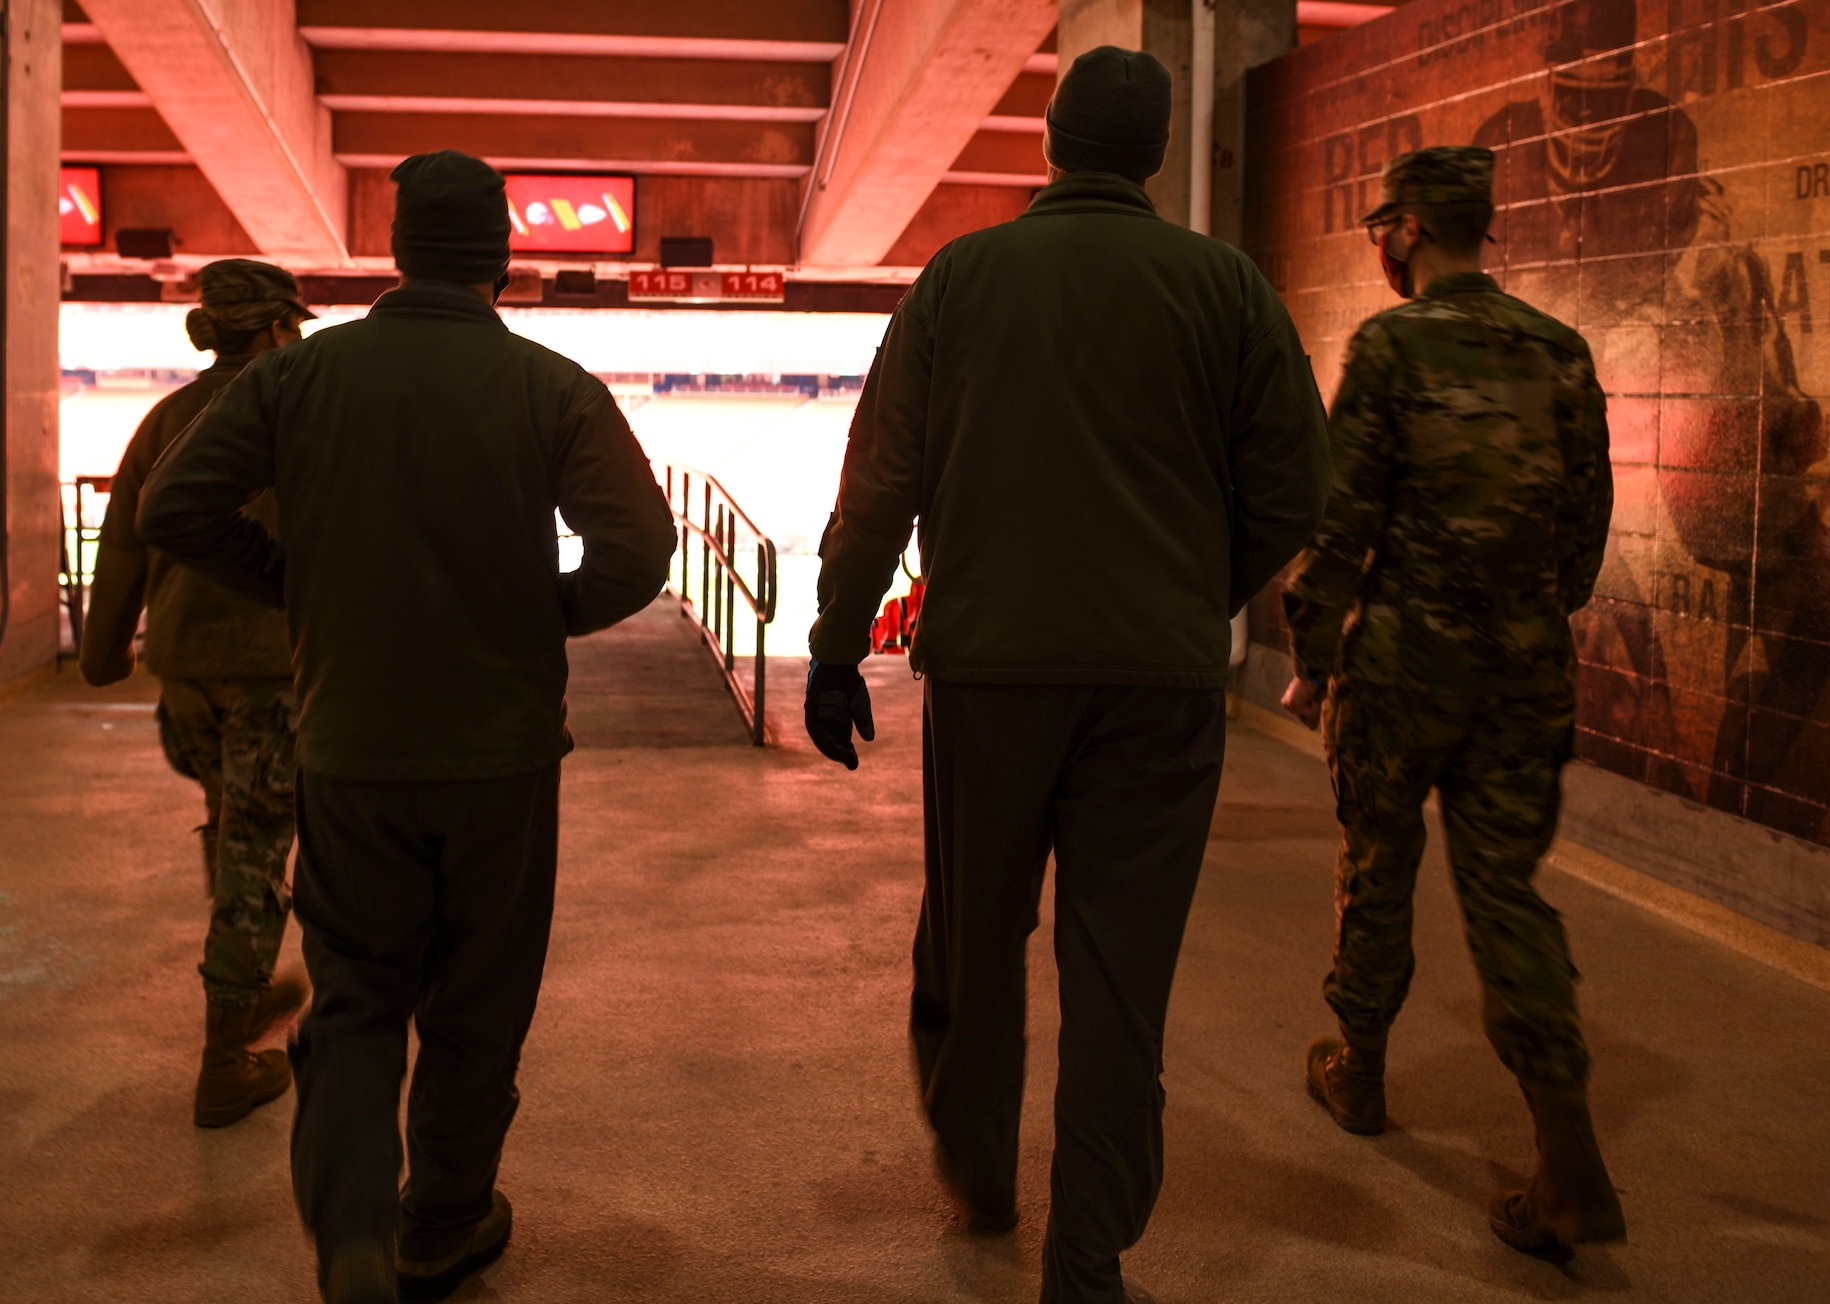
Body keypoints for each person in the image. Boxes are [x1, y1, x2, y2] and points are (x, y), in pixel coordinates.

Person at [806, 46, 1330, 1304]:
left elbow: (879, 479)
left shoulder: (961, 277)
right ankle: (1085, 1260)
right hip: (1155, 690)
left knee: (973, 940)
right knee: (1118, 976)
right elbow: (1294, 491)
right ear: (1152, 157)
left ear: (1048, 141)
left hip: (990, 673)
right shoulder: (1228, 288)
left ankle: (981, 1166)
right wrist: (1184, 595)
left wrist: (834, 642)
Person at [138, 150, 676, 1304]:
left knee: (357, 993)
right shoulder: (550, 385)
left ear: (397, 252)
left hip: (349, 750)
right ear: (502, 257)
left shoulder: (302, 378)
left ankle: (350, 1235)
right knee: (479, 997)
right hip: (503, 755)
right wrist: (544, 615)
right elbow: (639, 549)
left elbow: (172, 506)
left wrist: (293, 582)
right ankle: (442, 1221)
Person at [1278, 145, 1621, 1254]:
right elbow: (1581, 534)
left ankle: (1360, 1073)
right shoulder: (1559, 351)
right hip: (1522, 667)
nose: (1379, 246)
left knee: (1376, 861)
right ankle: (1565, 1160)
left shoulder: (1389, 346)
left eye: (1383, 228)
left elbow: (1343, 520)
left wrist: (1313, 652)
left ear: (1409, 229)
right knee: (1507, 893)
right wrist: (1523, 613)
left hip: (1404, 662)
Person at [79, 259, 315, 1128]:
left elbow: (124, 548)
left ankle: (242, 997)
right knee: (257, 849)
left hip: (186, 675)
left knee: (232, 827)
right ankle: (225, 1062)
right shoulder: (302, 415)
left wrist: (102, 654)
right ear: (280, 328)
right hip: (271, 673)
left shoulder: (168, 416)